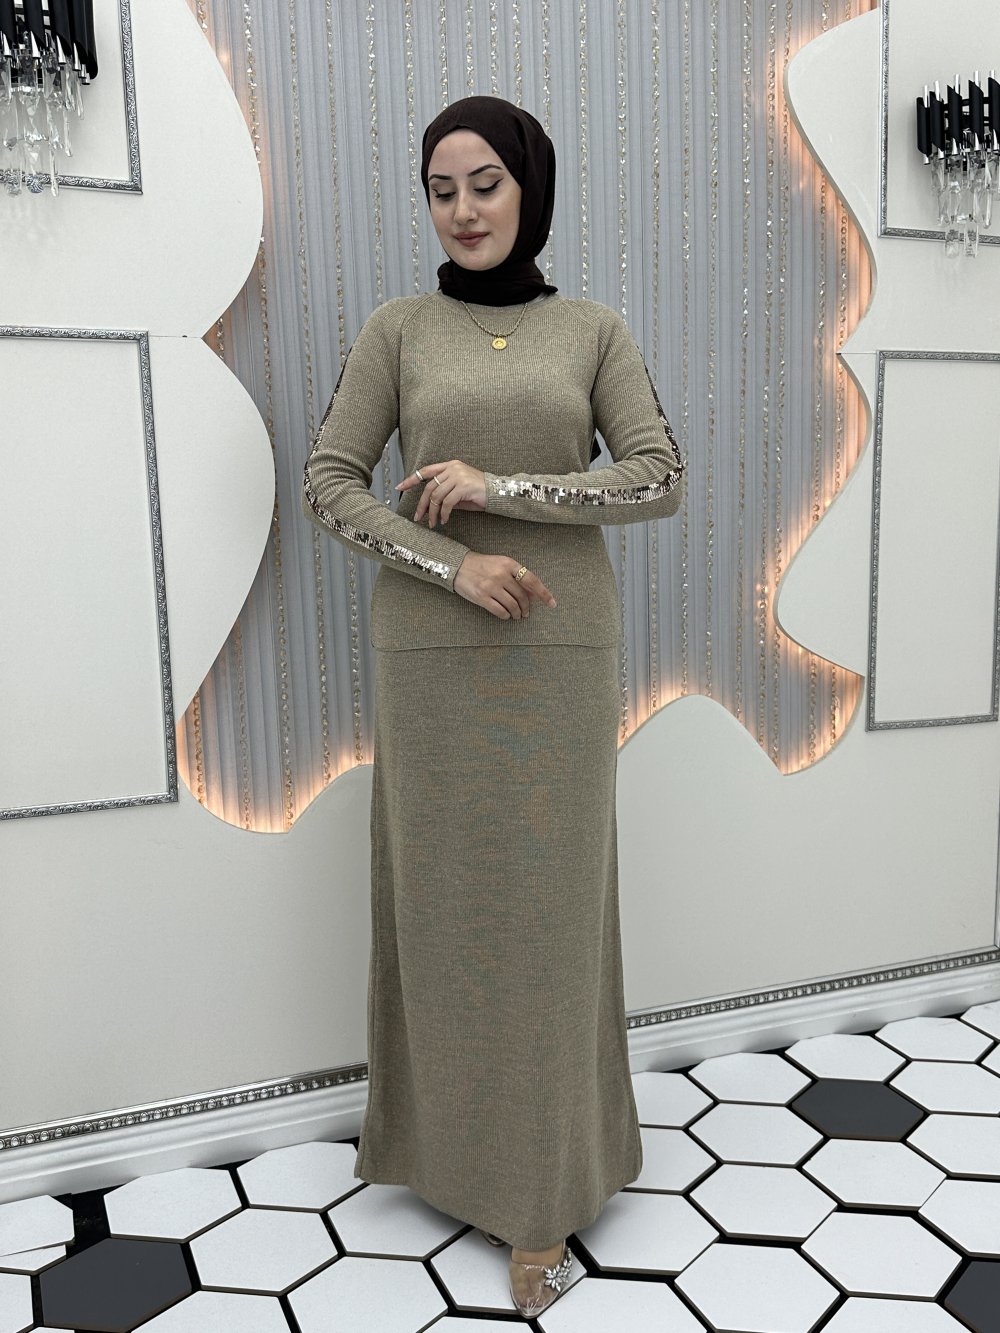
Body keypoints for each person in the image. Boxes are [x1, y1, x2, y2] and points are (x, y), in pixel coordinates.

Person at [302, 94, 683, 1318]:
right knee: (447, 912)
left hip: (559, 656)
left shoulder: (593, 330)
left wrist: (497, 488)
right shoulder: (398, 330)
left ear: (529, 186)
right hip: (430, 658)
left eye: (484, 184)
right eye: (440, 189)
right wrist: (449, 563)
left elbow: (658, 477)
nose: (462, 210)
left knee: (549, 922)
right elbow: (327, 482)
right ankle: (442, 1153)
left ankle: (541, 1192)